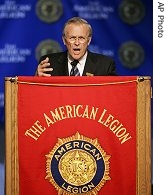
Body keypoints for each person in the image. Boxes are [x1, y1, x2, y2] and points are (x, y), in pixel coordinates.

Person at [35, 17, 117, 76]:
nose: (77, 43)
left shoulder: (105, 65)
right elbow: (37, 94)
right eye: (72, 38)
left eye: (81, 38)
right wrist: (37, 79)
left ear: (89, 40)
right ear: (64, 40)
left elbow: (113, 94)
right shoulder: (48, 64)